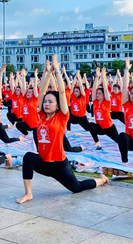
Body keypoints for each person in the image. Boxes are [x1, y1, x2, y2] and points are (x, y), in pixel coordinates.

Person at [16, 55, 109, 204]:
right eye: (45, 102)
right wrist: (48, 72)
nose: (46, 104)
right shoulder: (41, 116)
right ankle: (28, 193)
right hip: (44, 162)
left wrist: (57, 71)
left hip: (59, 164)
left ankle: (100, 180)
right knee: (28, 157)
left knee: (77, 187)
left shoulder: (62, 117)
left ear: (58, 105)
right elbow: (41, 92)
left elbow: (61, 93)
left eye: (50, 102)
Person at [87, 67, 120, 150]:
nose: (97, 95)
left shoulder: (107, 101)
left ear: (103, 95)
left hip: (109, 128)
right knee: (91, 125)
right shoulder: (95, 102)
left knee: (119, 142)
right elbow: (94, 89)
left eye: (99, 94)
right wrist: (97, 77)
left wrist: (103, 77)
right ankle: (97, 142)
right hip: (100, 128)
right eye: (97, 94)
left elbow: (105, 89)